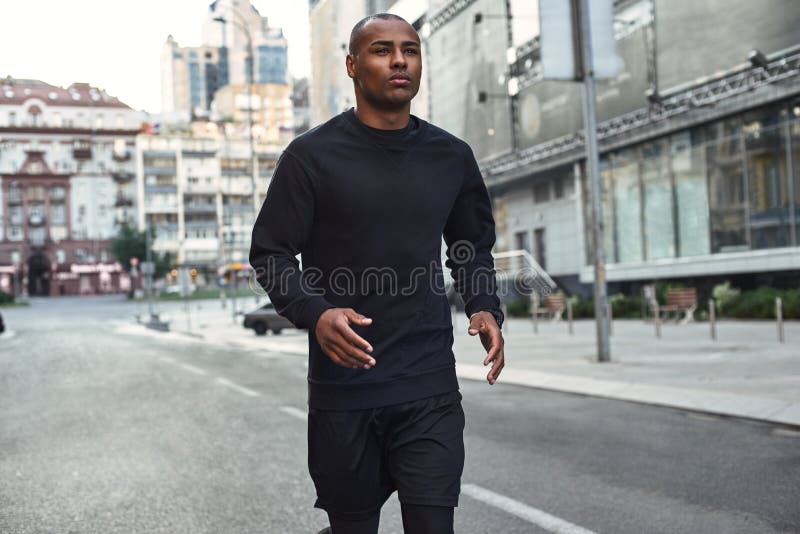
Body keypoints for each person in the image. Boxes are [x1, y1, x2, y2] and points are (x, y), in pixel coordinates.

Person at [249, 13, 505, 534]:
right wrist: (316, 314)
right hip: (345, 390)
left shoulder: (451, 157)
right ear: (352, 65)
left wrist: (484, 306)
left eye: (410, 50)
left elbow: (470, 246)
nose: (399, 61)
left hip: (428, 385)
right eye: (382, 50)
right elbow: (271, 254)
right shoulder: (310, 158)